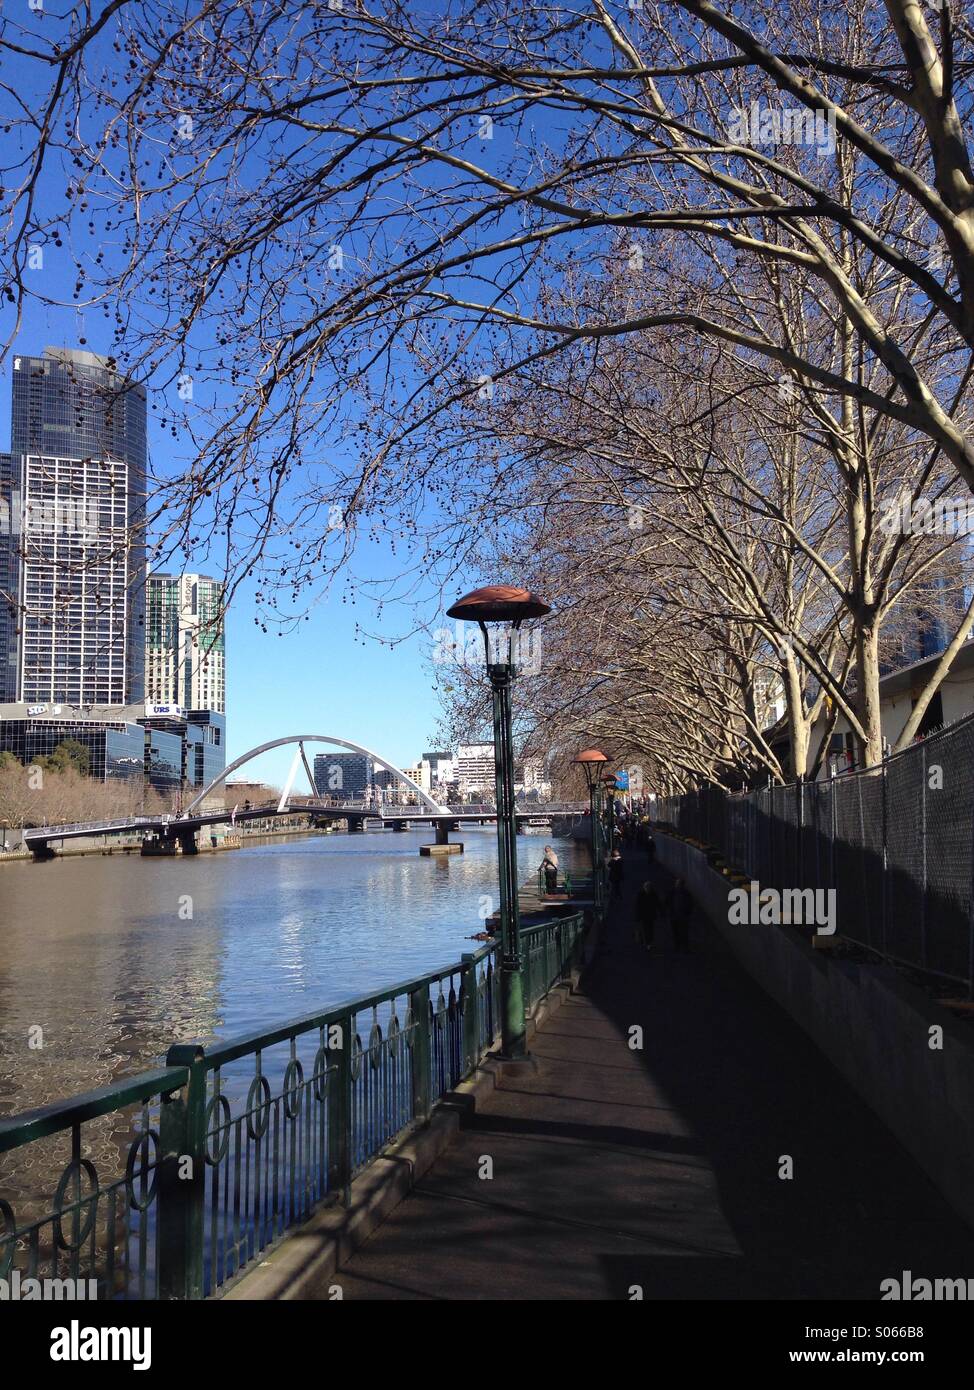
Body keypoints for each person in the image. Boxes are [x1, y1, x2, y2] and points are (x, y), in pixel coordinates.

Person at [634, 879, 660, 949]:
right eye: (647, 888)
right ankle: (648, 943)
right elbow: (638, 906)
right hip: (645, 916)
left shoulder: (643, 894)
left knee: (649, 929)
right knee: (646, 929)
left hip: (650, 915)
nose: (648, 889)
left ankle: (648, 942)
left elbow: (658, 904)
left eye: (649, 888)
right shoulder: (651, 894)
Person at [668, 877, 692, 952]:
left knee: (683, 932)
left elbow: (690, 904)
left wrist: (687, 912)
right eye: (677, 884)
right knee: (676, 932)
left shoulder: (685, 894)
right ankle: (678, 946)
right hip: (675, 916)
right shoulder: (673, 893)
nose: (678, 885)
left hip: (681, 916)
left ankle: (683, 947)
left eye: (679, 884)